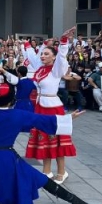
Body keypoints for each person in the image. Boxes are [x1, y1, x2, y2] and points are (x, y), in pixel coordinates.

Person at [0, 74, 90, 204]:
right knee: (36, 177)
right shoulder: (18, 115)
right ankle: (73, 199)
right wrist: (69, 118)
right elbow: (44, 120)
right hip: (8, 156)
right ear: (12, 100)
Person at [23, 27, 78, 184]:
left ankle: (62, 171)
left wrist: (64, 41)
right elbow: (32, 56)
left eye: (46, 54)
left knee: (58, 140)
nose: (42, 56)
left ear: (53, 57)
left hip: (53, 108)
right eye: (42, 53)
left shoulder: (56, 70)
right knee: (44, 140)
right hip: (40, 108)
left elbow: (62, 56)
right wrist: (27, 46)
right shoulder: (39, 69)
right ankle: (46, 171)